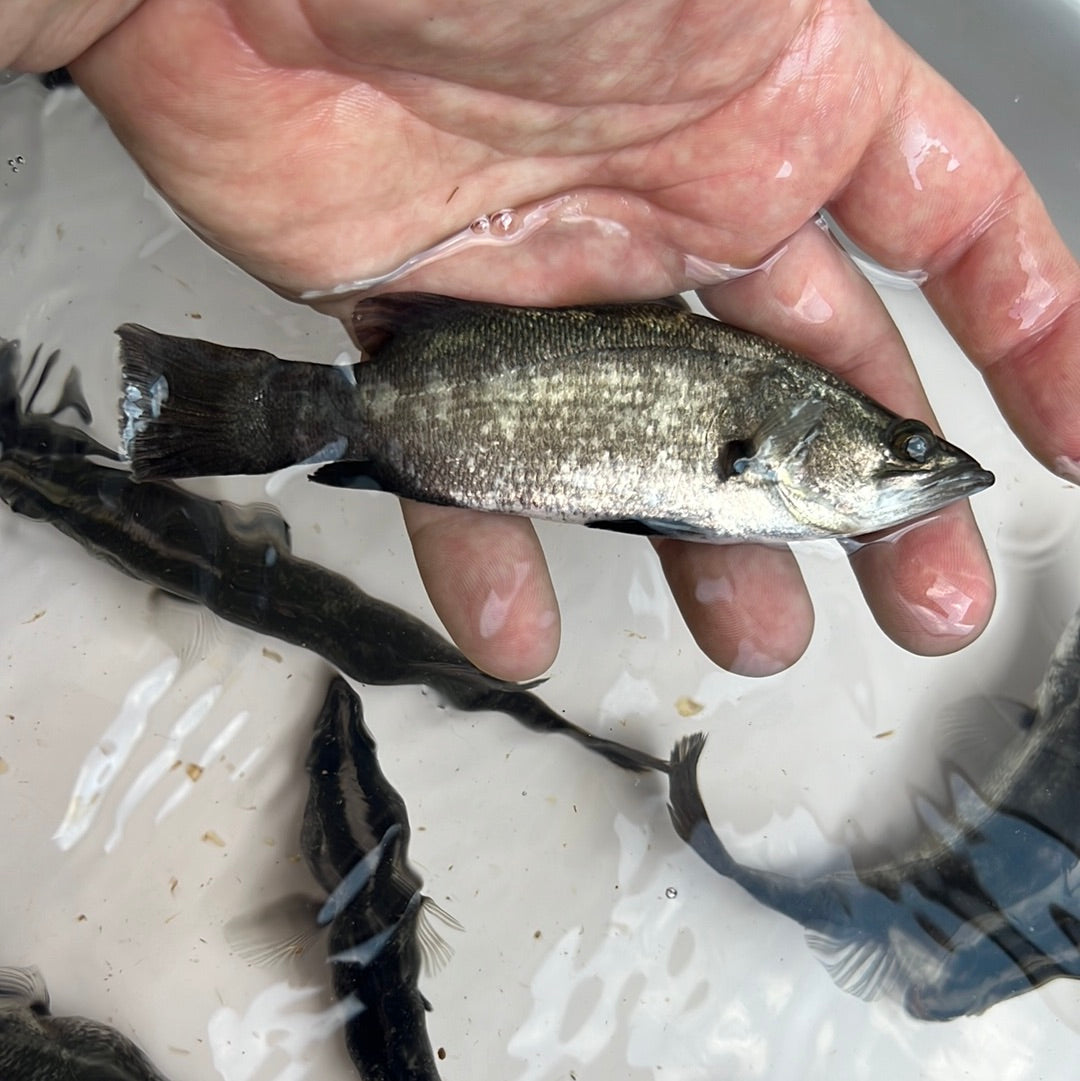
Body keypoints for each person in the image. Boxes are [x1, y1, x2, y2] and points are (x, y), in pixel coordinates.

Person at [5, 0, 1079, 682]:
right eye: (903, 449)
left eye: (909, 453)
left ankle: (224, 410)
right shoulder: (764, 422)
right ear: (793, 441)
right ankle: (233, 409)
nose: (922, 467)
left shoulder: (771, 418)